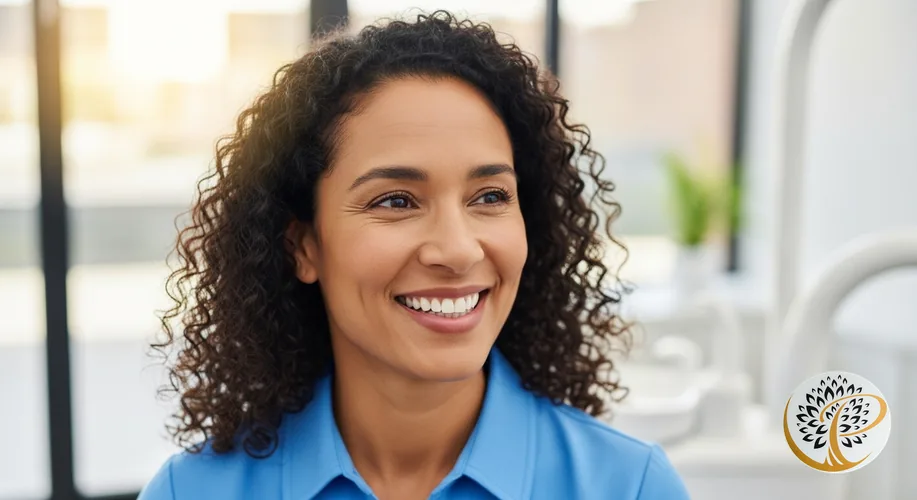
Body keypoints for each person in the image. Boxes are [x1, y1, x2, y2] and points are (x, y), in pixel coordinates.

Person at [139, 10, 690, 500]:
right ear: (302, 245)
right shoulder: (188, 491)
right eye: (396, 200)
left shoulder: (630, 487)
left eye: (490, 196)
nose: (456, 249)